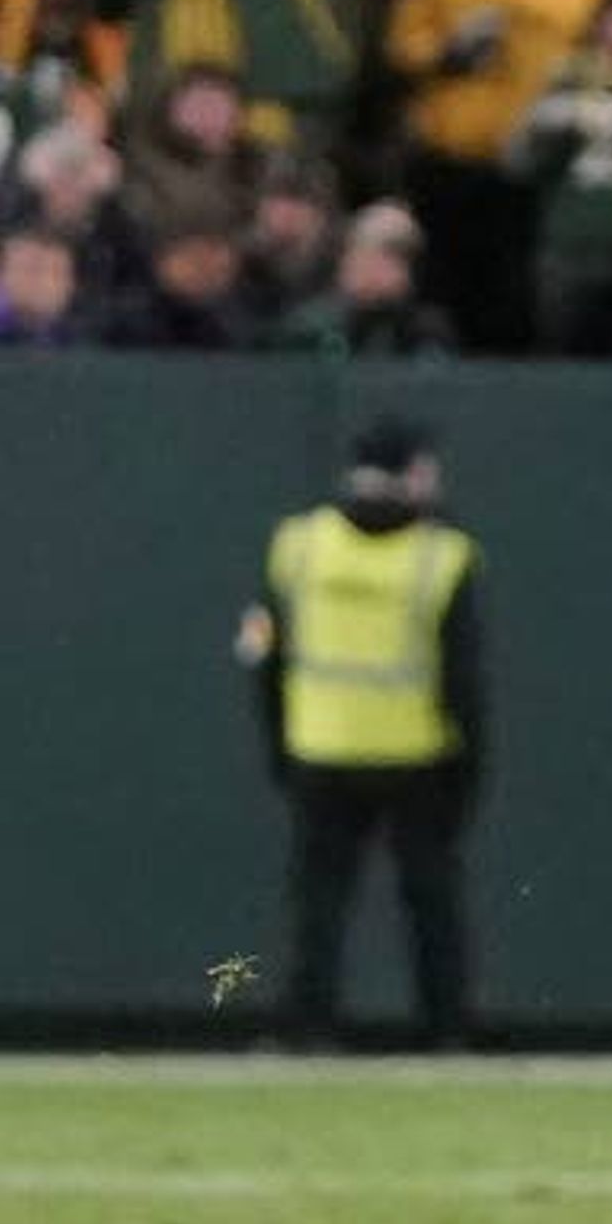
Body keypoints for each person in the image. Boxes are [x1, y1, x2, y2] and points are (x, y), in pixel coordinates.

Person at [239, 420, 488, 1048]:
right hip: (416, 751)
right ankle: (446, 1030)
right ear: (413, 471)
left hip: (319, 746)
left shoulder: (299, 545)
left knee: (317, 901)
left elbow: (264, 656)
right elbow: (464, 676)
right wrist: (472, 761)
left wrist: (277, 743)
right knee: (430, 900)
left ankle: (306, 1027)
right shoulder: (443, 556)